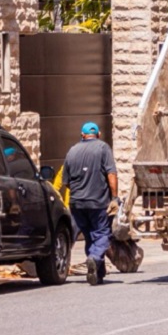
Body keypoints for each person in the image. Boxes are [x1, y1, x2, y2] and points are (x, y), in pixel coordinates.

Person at [61, 122, 118, 285]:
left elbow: (66, 181)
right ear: (98, 134)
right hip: (98, 202)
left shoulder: (72, 151)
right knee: (102, 234)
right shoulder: (103, 148)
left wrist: (79, 193)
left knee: (89, 236)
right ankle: (94, 258)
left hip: (77, 203)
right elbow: (111, 174)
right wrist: (114, 198)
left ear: (82, 135)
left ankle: (98, 273)